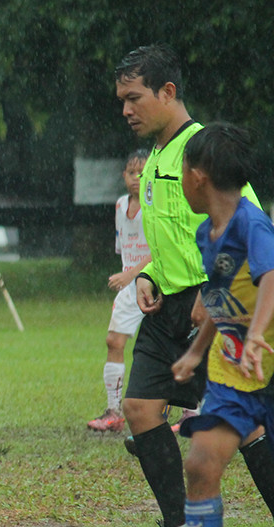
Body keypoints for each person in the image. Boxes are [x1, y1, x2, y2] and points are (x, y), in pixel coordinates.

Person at [113, 44, 274, 527]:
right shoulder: (156, 156)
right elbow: (174, 242)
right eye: (122, 100)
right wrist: (150, 276)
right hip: (169, 309)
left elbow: (248, 227)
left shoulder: (203, 151)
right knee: (138, 408)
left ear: (168, 92)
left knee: (245, 423)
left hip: (215, 304)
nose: (126, 110)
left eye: (134, 98)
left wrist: (214, 291)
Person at [162, 123, 274, 527]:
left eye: (181, 172)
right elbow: (220, 297)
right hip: (236, 370)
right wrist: (198, 351)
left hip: (263, 357)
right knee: (202, 463)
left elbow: (271, 276)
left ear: (198, 175)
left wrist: (257, 333)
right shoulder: (207, 233)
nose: (179, 181)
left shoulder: (253, 225)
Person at [88, 149, 152, 432]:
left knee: (173, 347)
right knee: (114, 342)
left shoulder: (156, 206)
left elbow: (162, 250)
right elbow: (123, 248)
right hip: (129, 288)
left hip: (156, 285)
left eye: (142, 172)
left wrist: (131, 274)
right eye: (131, 173)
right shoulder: (120, 206)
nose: (136, 178)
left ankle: (191, 411)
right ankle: (113, 411)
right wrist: (128, 275)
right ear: (123, 176)